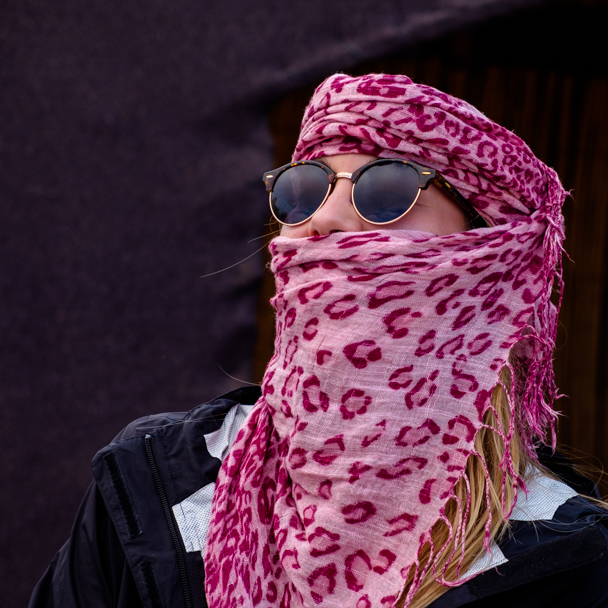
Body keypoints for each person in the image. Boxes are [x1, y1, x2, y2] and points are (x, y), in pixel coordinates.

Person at [30, 73, 608, 608]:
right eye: (303, 191)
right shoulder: (151, 481)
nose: (324, 220)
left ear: (491, 258)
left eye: (387, 190)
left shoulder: (569, 553)